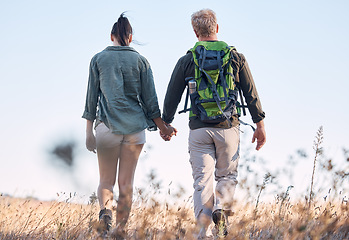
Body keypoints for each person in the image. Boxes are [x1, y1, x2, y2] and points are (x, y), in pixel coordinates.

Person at [161, 9, 266, 238]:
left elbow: (171, 97)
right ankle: (220, 210)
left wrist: (166, 125)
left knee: (202, 181)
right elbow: (251, 93)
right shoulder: (235, 57)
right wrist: (259, 124)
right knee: (227, 176)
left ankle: (203, 233)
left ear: (195, 31)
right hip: (229, 127)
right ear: (216, 28)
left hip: (199, 128)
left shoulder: (187, 60)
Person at [82, 13, 176, 238]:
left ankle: (105, 213)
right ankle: (121, 230)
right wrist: (164, 128)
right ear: (131, 37)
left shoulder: (98, 59)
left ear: (111, 36)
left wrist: (88, 132)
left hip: (106, 128)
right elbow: (151, 102)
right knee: (126, 184)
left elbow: (91, 99)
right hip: (135, 131)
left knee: (106, 181)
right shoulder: (141, 61)